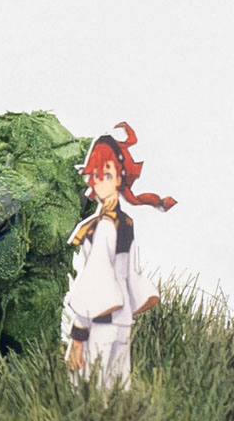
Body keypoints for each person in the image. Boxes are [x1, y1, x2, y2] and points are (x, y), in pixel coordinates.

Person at [62, 122, 176, 390]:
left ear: (119, 177)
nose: (100, 181)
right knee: (119, 387)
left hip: (101, 321)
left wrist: (77, 336)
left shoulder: (102, 226)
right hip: (123, 321)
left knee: (88, 390)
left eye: (107, 174)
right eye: (96, 174)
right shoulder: (126, 223)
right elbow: (127, 274)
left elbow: (95, 279)